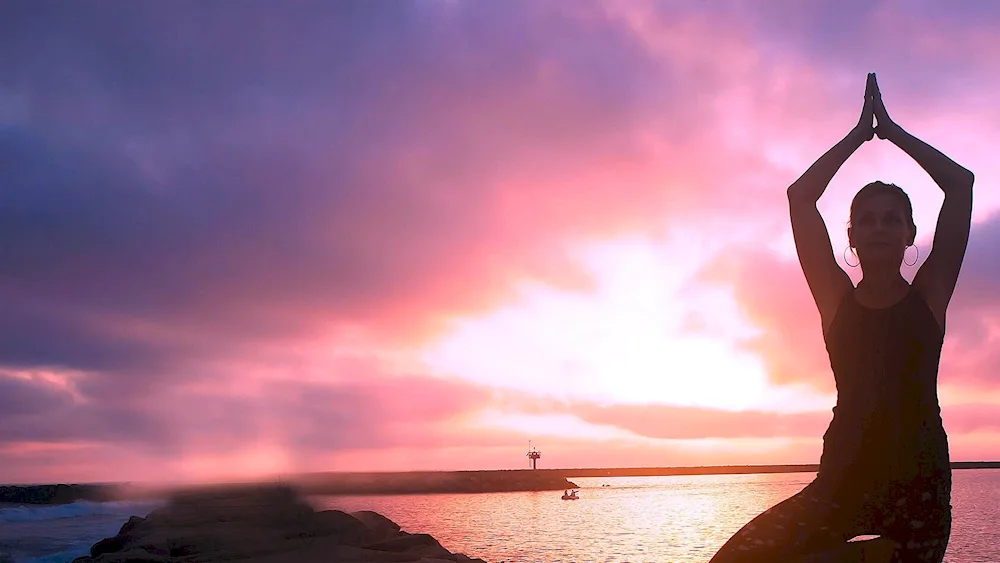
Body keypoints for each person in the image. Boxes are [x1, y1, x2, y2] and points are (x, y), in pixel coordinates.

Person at [709, 73, 974, 563]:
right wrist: (857, 136)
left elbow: (960, 186)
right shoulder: (836, 301)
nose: (878, 228)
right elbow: (800, 197)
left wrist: (891, 133)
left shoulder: (929, 298)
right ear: (850, 237)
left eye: (891, 219)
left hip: (918, 496)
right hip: (842, 486)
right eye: (866, 220)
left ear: (908, 233)